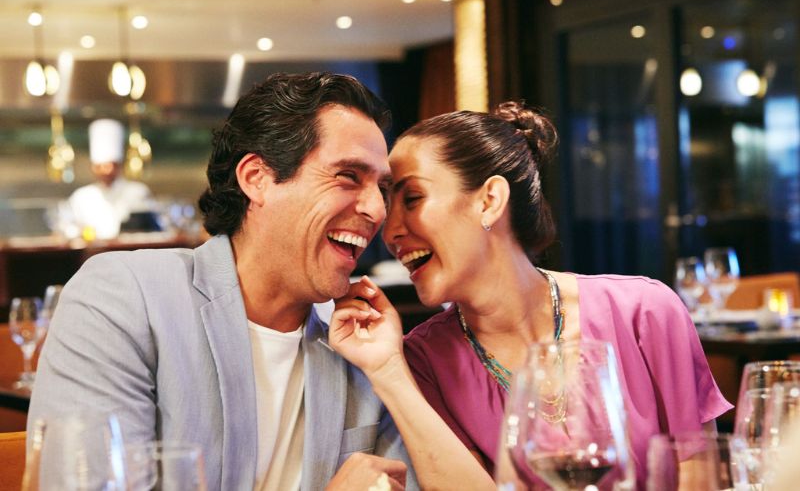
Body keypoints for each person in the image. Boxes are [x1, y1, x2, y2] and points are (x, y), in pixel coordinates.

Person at [28, 72, 418, 491]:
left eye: (383, 187)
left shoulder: (360, 339)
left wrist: (392, 371)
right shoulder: (122, 298)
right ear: (257, 178)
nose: (378, 210)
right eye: (348, 176)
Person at [328, 101, 733, 489]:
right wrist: (388, 373)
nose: (390, 228)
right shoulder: (423, 361)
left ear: (489, 201)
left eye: (412, 198)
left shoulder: (644, 313)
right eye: (388, 202)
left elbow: (699, 479)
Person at [60, 118, 154, 239]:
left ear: (120, 165)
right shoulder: (81, 196)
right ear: (92, 167)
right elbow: (66, 227)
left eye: (111, 165)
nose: (106, 170)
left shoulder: (138, 191)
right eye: (100, 166)